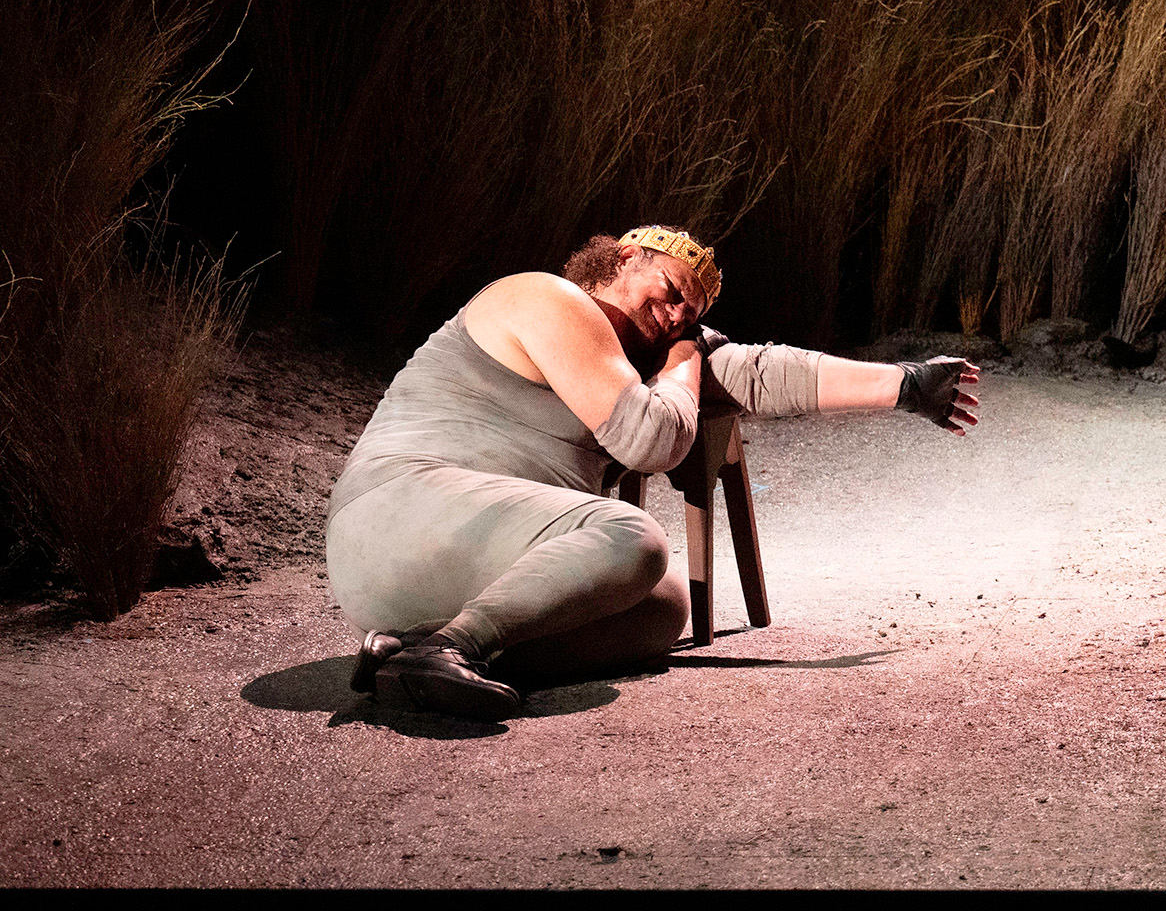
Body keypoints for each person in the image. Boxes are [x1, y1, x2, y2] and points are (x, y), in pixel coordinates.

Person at [323, 224, 980, 719]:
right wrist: (687, 361)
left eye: (688, 316)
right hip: (397, 515)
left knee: (660, 606)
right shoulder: (546, 298)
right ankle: (454, 645)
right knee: (631, 538)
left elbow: (760, 373)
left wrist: (908, 385)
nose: (675, 317)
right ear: (623, 258)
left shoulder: (638, 359)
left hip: (457, 566)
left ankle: (415, 652)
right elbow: (651, 438)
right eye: (671, 295)